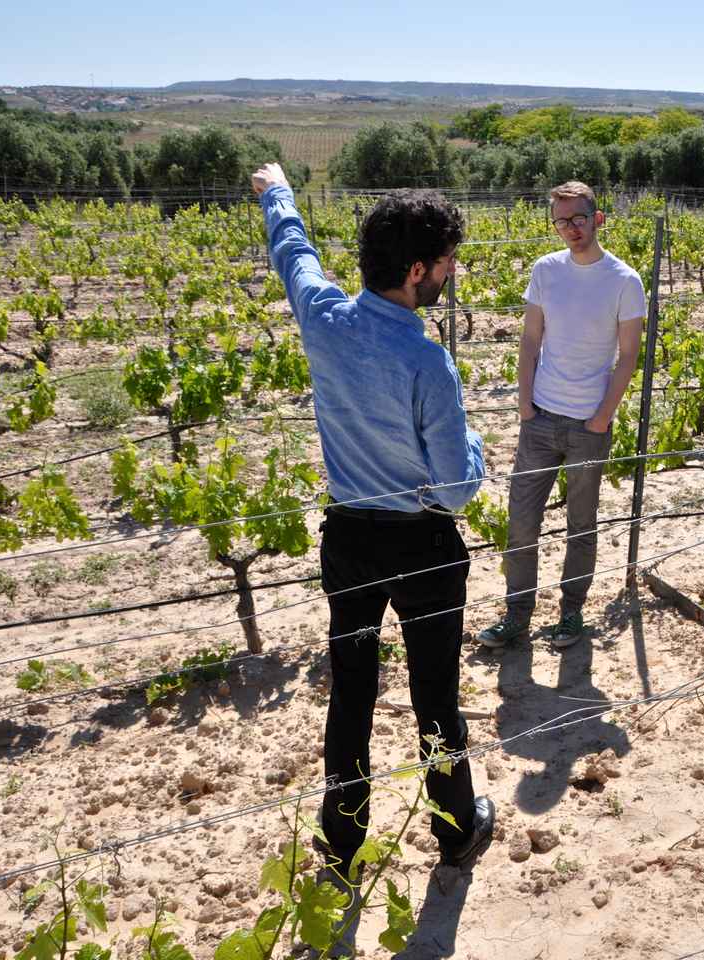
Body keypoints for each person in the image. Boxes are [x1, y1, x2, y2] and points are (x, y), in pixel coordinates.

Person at [251, 163, 494, 955]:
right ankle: (456, 834)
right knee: (434, 697)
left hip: (348, 539)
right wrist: (481, 450)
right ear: (417, 270)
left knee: (351, 692)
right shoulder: (428, 362)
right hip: (423, 545)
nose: (452, 273)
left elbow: (296, 256)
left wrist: (276, 194)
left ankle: (342, 841)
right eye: (447, 261)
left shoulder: (322, 315)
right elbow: (457, 491)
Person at [477, 181, 647, 651]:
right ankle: (517, 614)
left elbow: (628, 356)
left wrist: (600, 418)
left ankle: (571, 614)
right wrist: (524, 405)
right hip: (541, 419)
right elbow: (530, 340)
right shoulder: (545, 271)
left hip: (588, 427)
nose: (570, 228)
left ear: (598, 219)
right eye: (561, 220)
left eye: (577, 218)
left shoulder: (625, 280)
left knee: (581, 526)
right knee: (521, 523)